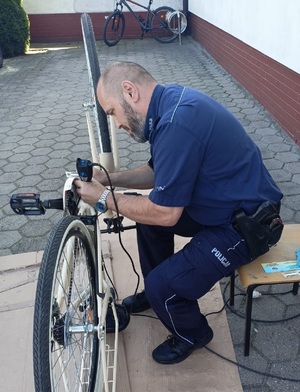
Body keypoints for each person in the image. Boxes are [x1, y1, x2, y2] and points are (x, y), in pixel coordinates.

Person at [75, 61, 283, 365]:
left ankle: (192, 333)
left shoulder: (176, 123)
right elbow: (157, 172)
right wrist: (109, 179)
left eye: (112, 113)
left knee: (164, 280)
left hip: (249, 226)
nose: (117, 123)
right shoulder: (169, 105)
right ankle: (157, 294)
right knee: (144, 216)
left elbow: (167, 213)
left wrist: (104, 197)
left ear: (129, 91)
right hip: (222, 204)